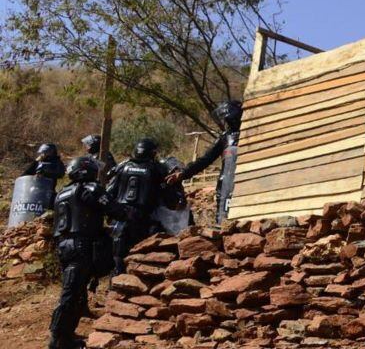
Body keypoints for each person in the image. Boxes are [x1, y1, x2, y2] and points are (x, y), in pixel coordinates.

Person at [49, 156, 129, 349]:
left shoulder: (62, 193)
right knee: (71, 293)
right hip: (80, 246)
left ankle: (66, 336)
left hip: (64, 246)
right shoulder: (89, 189)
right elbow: (114, 209)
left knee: (75, 292)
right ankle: (58, 339)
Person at [166, 100, 242, 223]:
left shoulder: (252, 133)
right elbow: (205, 160)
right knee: (224, 222)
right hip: (226, 187)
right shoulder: (225, 138)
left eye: (228, 119)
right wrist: (183, 173)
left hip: (249, 184)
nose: (226, 122)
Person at [106, 138, 168, 274]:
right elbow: (165, 193)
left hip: (120, 215)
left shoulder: (123, 166)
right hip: (144, 216)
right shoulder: (157, 168)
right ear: (152, 153)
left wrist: (110, 212)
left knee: (118, 254)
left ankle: (115, 287)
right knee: (142, 253)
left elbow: (110, 191)